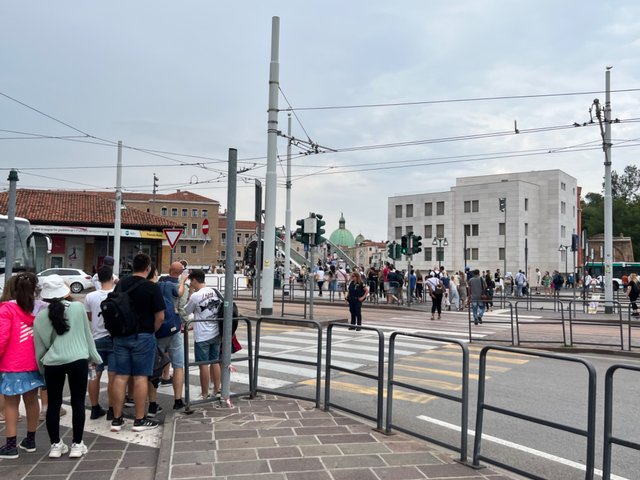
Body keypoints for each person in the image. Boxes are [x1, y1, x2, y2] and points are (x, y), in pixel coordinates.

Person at [33, 275, 102, 459]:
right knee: (78, 402)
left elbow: (40, 348)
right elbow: (87, 336)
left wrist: (41, 370)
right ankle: (77, 444)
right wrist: (94, 357)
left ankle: (55, 445)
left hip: (52, 363)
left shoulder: (40, 317)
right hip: (78, 359)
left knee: (53, 404)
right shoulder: (78, 308)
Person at [110, 252, 165, 433]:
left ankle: (117, 419)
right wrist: (151, 330)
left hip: (120, 336)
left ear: (132, 266)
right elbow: (160, 317)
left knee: (121, 376)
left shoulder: (120, 285)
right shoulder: (151, 287)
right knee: (141, 376)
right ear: (148, 268)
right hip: (143, 335)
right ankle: (139, 420)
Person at [0, 273, 44, 459]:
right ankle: (30, 440)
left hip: (11, 363)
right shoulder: (40, 310)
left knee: (11, 402)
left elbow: (2, 337)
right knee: (32, 401)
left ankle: (11, 445)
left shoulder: (6, 309)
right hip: (33, 363)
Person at [185, 269, 222, 400]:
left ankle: (205, 393)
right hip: (216, 332)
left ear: (194, 280)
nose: (191, 284)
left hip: (202, 335)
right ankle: (218, 388)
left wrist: (189, 292)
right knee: (215, 361)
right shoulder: (215, 291)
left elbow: (187, 310)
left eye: (191, 281)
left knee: (203, 365)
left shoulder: (196, 296)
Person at [84, 266, 115, 420]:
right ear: (111, 277)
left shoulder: (90, 297)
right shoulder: (117, 294)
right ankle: (112, 409)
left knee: (93, 375)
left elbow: (90, 317)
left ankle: (94, 407)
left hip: (95, 340)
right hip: (114, 339)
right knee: (113, 376)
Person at [156, 261, 188, 410]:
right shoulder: (174, 286)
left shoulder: (158, 284)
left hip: (157, 330)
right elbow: (180, 299)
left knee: (154, 366)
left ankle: (152, 403)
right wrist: (183, 282)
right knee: (178, 365)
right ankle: (178, 401)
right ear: (181, 272)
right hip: (173, 328)